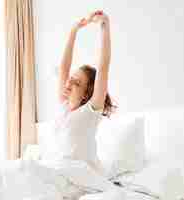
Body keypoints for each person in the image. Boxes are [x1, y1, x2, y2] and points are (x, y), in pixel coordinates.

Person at [51, 10, 118, 175]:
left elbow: (103, 67)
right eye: (71, 79)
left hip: (85, 176)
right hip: (63, 173)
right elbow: (63, 68)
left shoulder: (90, 112)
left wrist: (105, 26)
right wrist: (74, 30)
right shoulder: (64, 105)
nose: (69, 83)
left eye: (77, 83)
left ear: (86, 93)